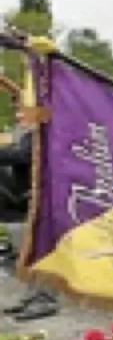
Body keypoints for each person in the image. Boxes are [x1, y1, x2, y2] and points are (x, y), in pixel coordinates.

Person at [0, 107, 60, 321]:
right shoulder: (28, 134)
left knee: (40, 254)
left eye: (23, 112)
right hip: (22, 205)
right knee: (27, 255)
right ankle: (33, 295)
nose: (18, 116)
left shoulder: (42, 134)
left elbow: (22, 156)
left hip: (38, 203)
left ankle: (46, 299)